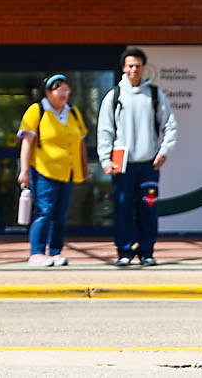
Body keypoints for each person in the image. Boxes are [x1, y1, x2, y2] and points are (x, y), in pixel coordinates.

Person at [96, 46, 177, 267]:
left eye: (138, 66)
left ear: (143, 68)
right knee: (122, 208)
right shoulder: (114, 96)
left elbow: (170, 125)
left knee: (148, 208)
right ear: (124, 68)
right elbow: (105, 130)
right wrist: (105, 160)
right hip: (122, 165)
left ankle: (147, 251)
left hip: (148, 164)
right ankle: (124, 251)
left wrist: (164, 152)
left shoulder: (154, 95)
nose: (134, 69)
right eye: (130, 65)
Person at [17, 73, 90, 267]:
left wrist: (84, 165)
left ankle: (56, 251)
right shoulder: (37, 110)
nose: (64, 94)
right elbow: (27, 142)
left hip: (67, 171)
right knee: (44, 211)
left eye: (66, 89)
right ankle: (37, 252)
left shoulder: (73, 112)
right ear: (48, 92)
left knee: (60, 213)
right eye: (59, 89)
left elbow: (81, 141)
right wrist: (24, 170)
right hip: (43, 171)